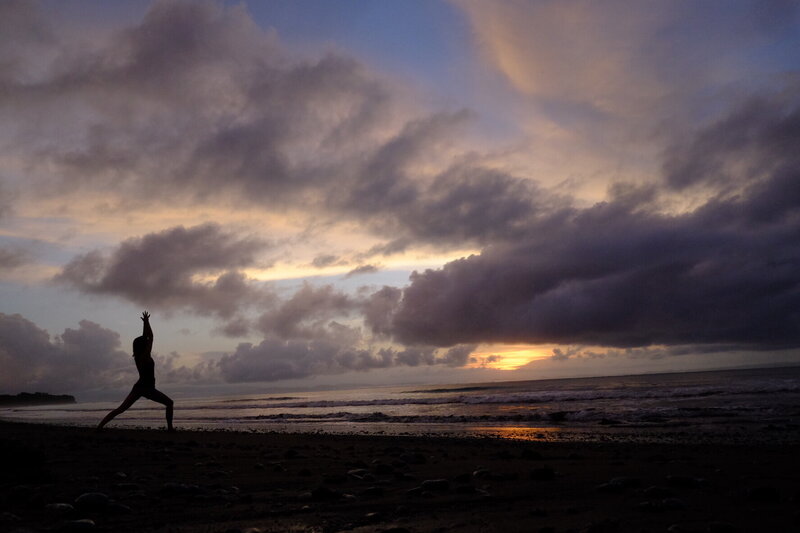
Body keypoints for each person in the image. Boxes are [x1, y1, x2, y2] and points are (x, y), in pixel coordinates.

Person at [98, 311, 174, 431]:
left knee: (121, 409)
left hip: (139, 387)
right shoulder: (145, 356)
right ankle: (170, 429)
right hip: (147, 388)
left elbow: (146, 336)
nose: (148, 342)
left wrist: (145, 322)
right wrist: (147, 322)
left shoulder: (139, 356)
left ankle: (99, 427)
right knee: (169, 403)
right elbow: (151, 336)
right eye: (146, 343)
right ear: (144, 346)